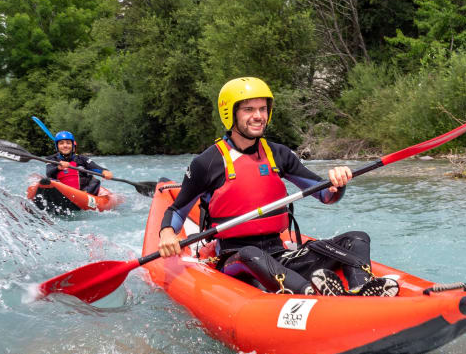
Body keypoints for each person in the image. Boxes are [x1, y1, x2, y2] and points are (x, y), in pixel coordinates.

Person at [158, 77, 398, 297]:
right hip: (235, 258)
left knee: (356, 238)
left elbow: (325, 195)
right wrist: (167, 233)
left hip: (280, 254)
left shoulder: (278, 154)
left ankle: (361, 287)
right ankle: (311, 294)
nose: (258, 116)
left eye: (263, 109)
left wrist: (337, 183)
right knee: (252, 253)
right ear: (229, 113)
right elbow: (177, 210)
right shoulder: (207, 162)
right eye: (249, 109)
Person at [44, 131, 113, 195]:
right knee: (48, 180)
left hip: (82, 192)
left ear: (72, 145)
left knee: (95, 181)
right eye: (61, 143)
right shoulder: (51, 159)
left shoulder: (82, 159)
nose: (65, 146)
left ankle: (85, 196)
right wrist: (58, 168)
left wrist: (105, 171)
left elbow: (95, 167)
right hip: (60, 191)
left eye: (68, 143)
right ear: (57, 146)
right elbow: (49, 173)